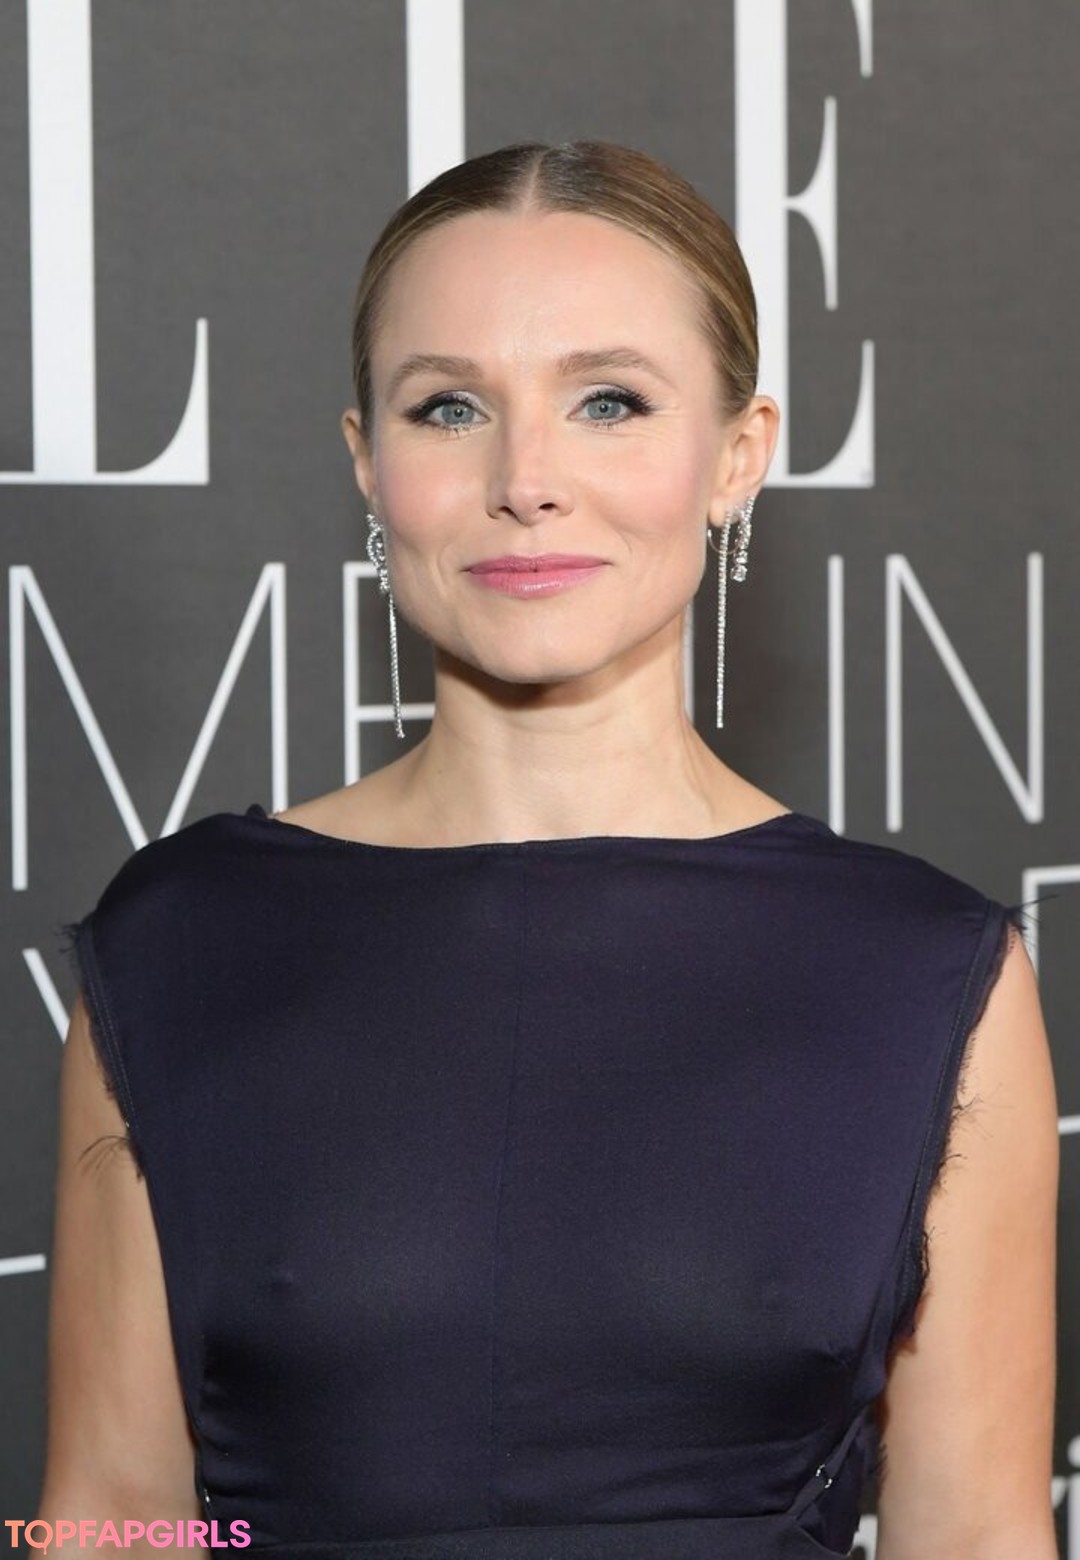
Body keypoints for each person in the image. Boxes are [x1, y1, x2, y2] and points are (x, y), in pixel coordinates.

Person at [39, 141, 1059, 1559]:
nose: (526, 480)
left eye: (609, 402)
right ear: (368, 459)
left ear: (739, 454)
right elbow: (108, 1521)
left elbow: (977, 1536)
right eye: (449, 407)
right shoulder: (180, 942)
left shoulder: (924, 974)